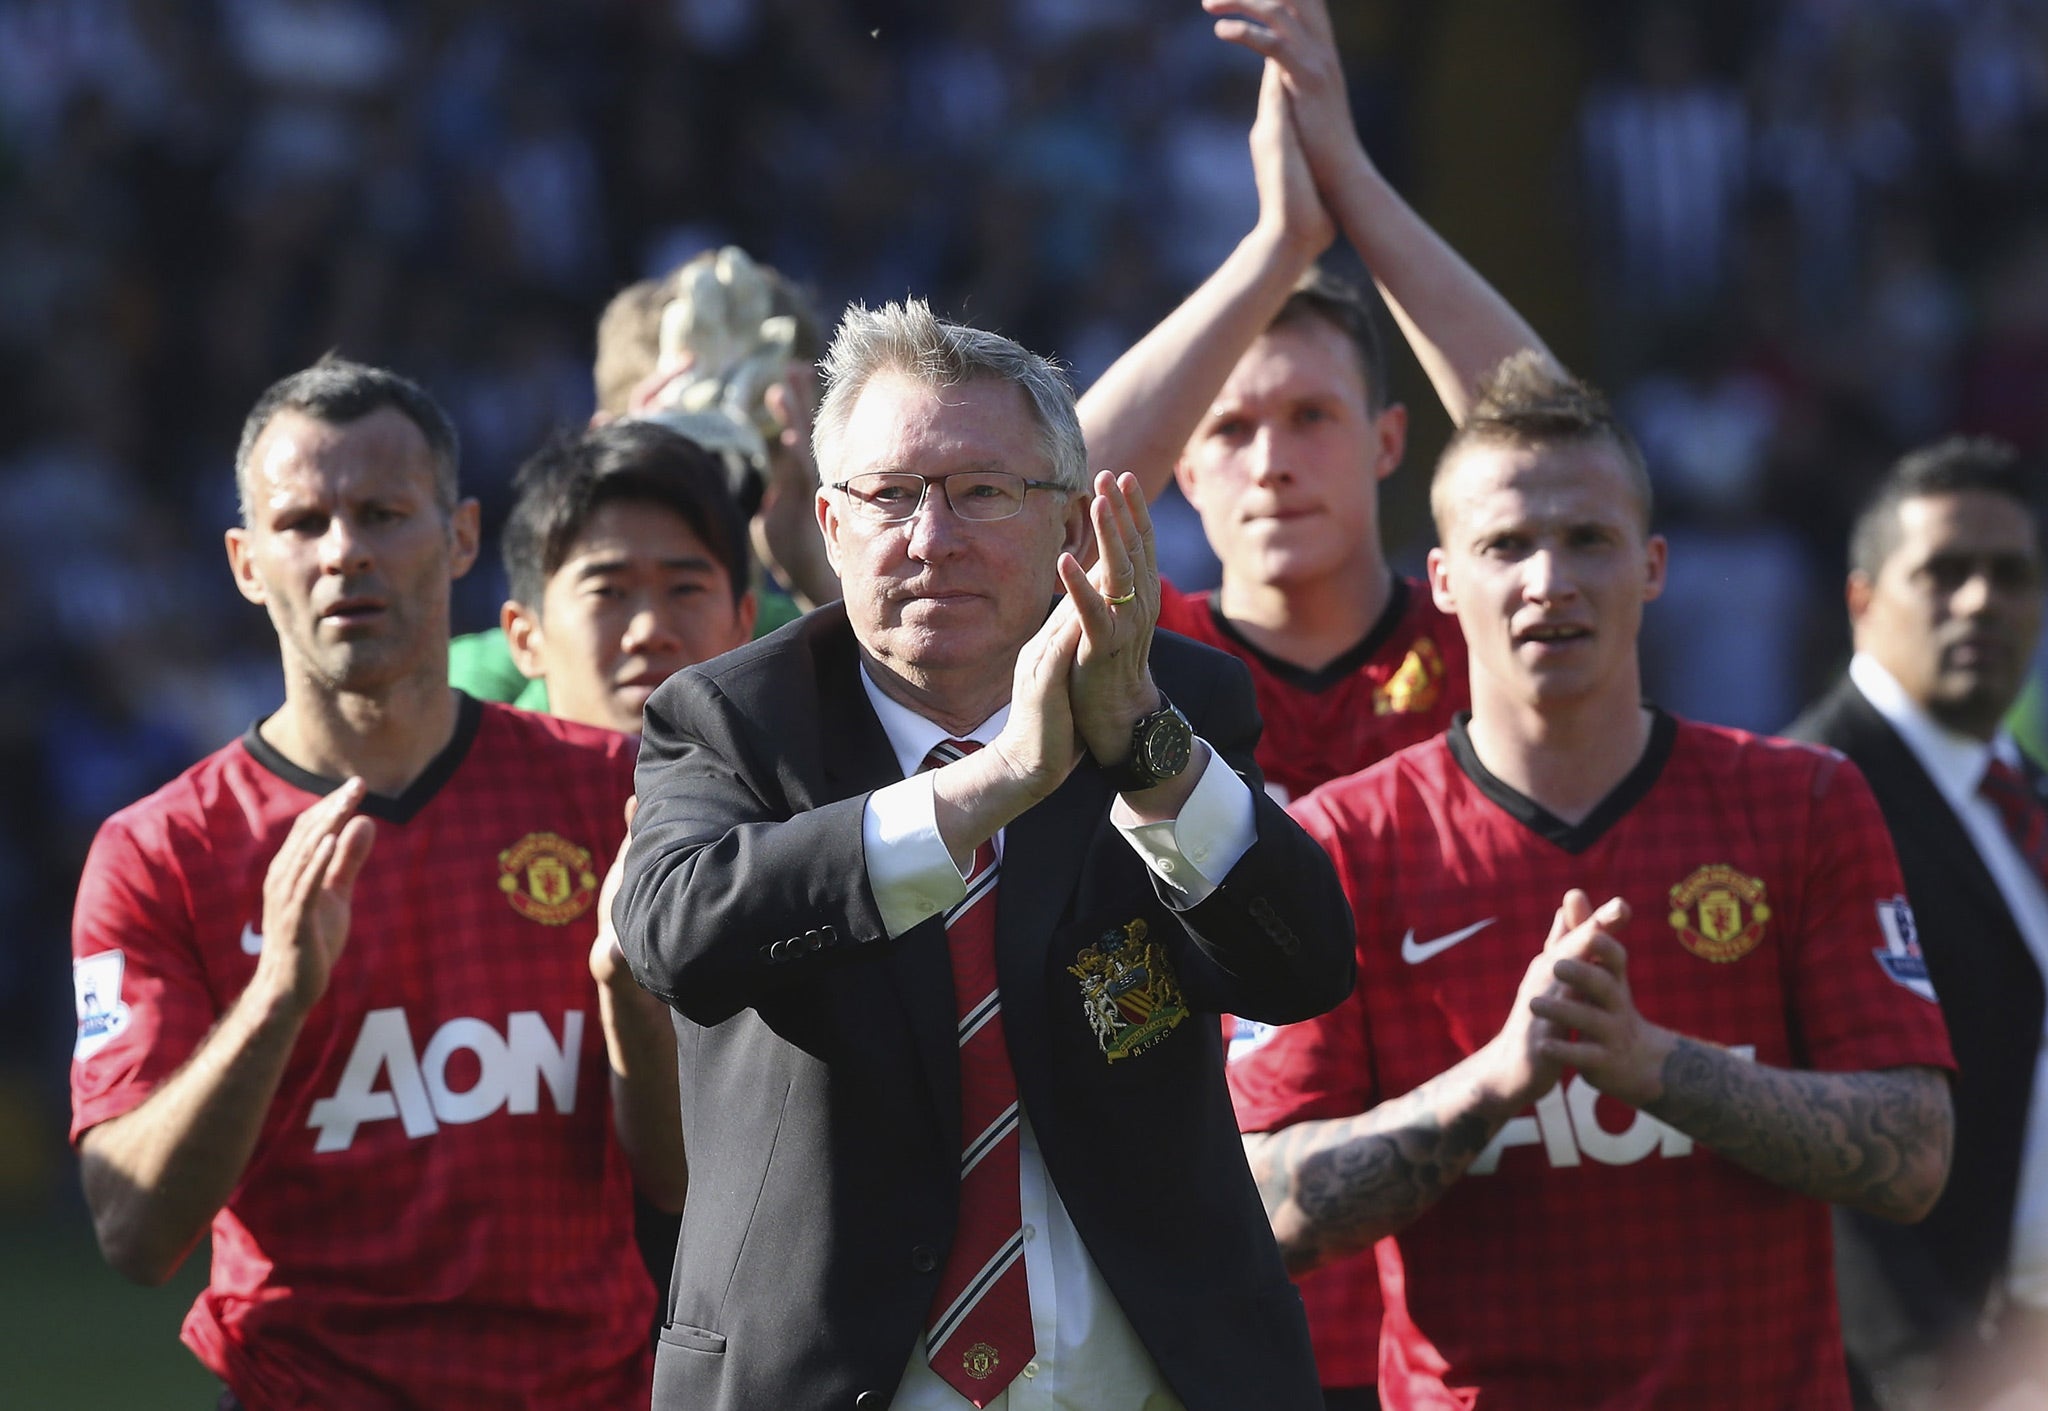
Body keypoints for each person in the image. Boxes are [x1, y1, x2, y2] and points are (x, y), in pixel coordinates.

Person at [614, 299, 1356, 1410]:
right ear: (826, 521)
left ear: (1068, 524)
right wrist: (986, 784)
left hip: (1147, 1377)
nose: (930, 537)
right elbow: (674, 932)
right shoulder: (733, 719)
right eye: (889, 494)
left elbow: (1300, 964)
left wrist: (1147, 749)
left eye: (980, 492)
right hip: (832, 1380)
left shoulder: (1169, 702)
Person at [1227, 353, 1956, 1409]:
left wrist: (1651, 1065)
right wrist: (1496, 1079)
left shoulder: (1800, 804)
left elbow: (1914, 1153)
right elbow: (1258, 1211)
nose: (1548, 580)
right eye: (1505, 545)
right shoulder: (1342, 840)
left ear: (1652, 566)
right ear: (1438, 580)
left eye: (1586, 540)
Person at [1076, 7, 1554, 1399]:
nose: (1271, 459)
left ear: (1393, 442)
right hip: (1200, 1280)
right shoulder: (1132, 648)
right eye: (1228, 426)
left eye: (1314, 418)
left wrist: (1349, 177)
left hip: (1467, 1275)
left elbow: (1555, 444)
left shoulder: (1488, 627)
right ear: (1177, 470)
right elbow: (1039, 501)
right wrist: (1273, 247)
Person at [67, 357, 683, 1408]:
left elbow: (687, 1185)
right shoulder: (162, 852)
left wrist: (630, 990)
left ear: (459, 538)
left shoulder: (608, 794)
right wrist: (276, 999)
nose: (343, 550)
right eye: (301, 522)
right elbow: (132, 1231)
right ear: (246, 562)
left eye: (383, 512)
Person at [1786, 437, 2048, 1409]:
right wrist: (1936, 1379)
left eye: (2011, 574)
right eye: (1943, 570)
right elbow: (1811, 1141)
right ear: (1860, 599)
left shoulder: (2020, 800)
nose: (1980, 599)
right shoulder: (1800, 800)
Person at [499, 418, 758, 735]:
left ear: (742, 625)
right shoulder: (475, 783)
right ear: (525, 638)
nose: (649, 631)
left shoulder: (800, 782)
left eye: (685, 589)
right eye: (607, 592)